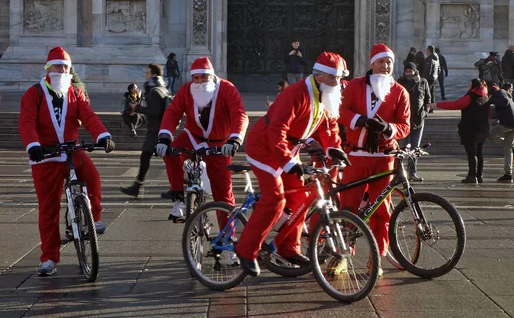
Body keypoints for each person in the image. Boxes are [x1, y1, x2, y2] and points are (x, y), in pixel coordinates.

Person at [235, 52, 349, 277]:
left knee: (300, 197)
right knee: (275, 199)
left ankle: (288, 248)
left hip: (288, 149)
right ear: (320, 76)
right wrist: (288, 163)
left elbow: (328, 125)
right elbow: (277, 131)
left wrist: (333, 148)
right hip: (264, 148)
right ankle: (246, 250)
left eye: (340, 78)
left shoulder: (323, 94)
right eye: (334, 78)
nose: (339, 83)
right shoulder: (295, 93)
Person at [18, 46, 115, 277]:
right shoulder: (34, 93)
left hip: (72, 151)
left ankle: (96, 218)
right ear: (48, 68)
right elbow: (27, 122)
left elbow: (88, 116)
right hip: (46, 156)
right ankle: (49, 258)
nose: (62, 70)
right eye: (58, 66)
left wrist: (102, 136)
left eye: (66, 67)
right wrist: (33, 145)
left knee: (92, 176)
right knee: (48, 209)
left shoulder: (74, 93)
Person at [338, 44, 411, 267]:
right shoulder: (354, 86)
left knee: (381, 211)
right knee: (348, 207)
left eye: (389, 62)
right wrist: (360, 121)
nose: (386, 65)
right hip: (356, 156)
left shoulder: (400, 92)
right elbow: (340, 110)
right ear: (372, 63)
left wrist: (387, 129)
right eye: (381, 61)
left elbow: (405, 125)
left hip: (383, 158)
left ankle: (376, 259)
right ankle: (342, 255)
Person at [156, 57, 248, 223]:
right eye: (196, 78)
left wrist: (235, 139)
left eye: (204, 77)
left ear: (212, 76)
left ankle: (227, 239)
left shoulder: (227, 89)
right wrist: (164, 137)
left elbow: (239, 114)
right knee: (171, 153)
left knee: (223, 194)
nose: (200, 81)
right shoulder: (186, 90)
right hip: (192, 136)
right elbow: (173, 112)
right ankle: (178, 200)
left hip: (220, 143)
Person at [120, 65, 170, 198]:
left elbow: (154, 111)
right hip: (162, 128)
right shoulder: (163, 88)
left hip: (155, 130)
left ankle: (137, 187)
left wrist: (137, 108)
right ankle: (137, 186)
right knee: (168, 159)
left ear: (153, 74)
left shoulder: (154, 91)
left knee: (147, 157)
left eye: (147, 73)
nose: (146, 75)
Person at [430, 79, 489, 184]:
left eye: (470, 84)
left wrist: (437, 105)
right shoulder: (485, 97)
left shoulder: (470, 97)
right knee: (479, 153)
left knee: (471, 153)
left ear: (473, 86)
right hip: (483, 129)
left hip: (470, 129)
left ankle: (472, 176)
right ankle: (479, 176)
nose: (468, 86)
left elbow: (455, 105)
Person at [396, 62, 431, 181]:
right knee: (401, 148)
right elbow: (401, 93)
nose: (409, 74)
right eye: (407, 71)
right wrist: (413, 82)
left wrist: (425, 111)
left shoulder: (423, 82)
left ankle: (412, 172)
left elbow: (428, 98)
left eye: (411, 71)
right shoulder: (400, 82)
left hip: (418, 120)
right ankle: (399, 173)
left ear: (415, 71)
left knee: (415, 149)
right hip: (403, 120)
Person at [488, 83, 514, 183]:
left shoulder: (500, 93)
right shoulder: (505, 95)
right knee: (508, 149)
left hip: (508, 123)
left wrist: (490, 99)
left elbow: (504, 102)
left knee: (490, 135)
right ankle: (508, 174)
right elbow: (502, 111)